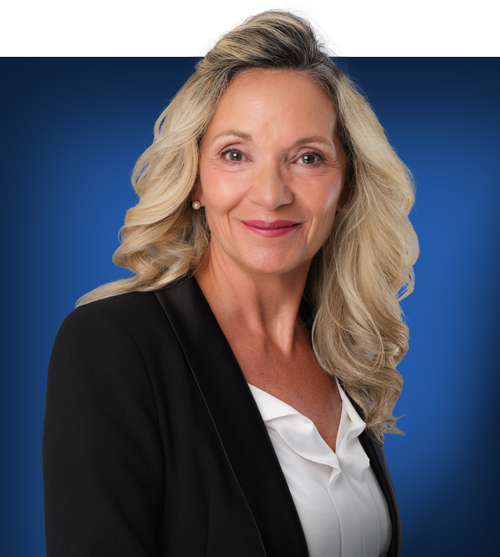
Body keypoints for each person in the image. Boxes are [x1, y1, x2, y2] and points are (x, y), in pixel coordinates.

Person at [42, 11, 418, 557]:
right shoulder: (113, 345)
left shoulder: (341, 354)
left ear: (346, 187)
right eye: (235, 154)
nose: (271, 194)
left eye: (308, 157)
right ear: (196, 180)